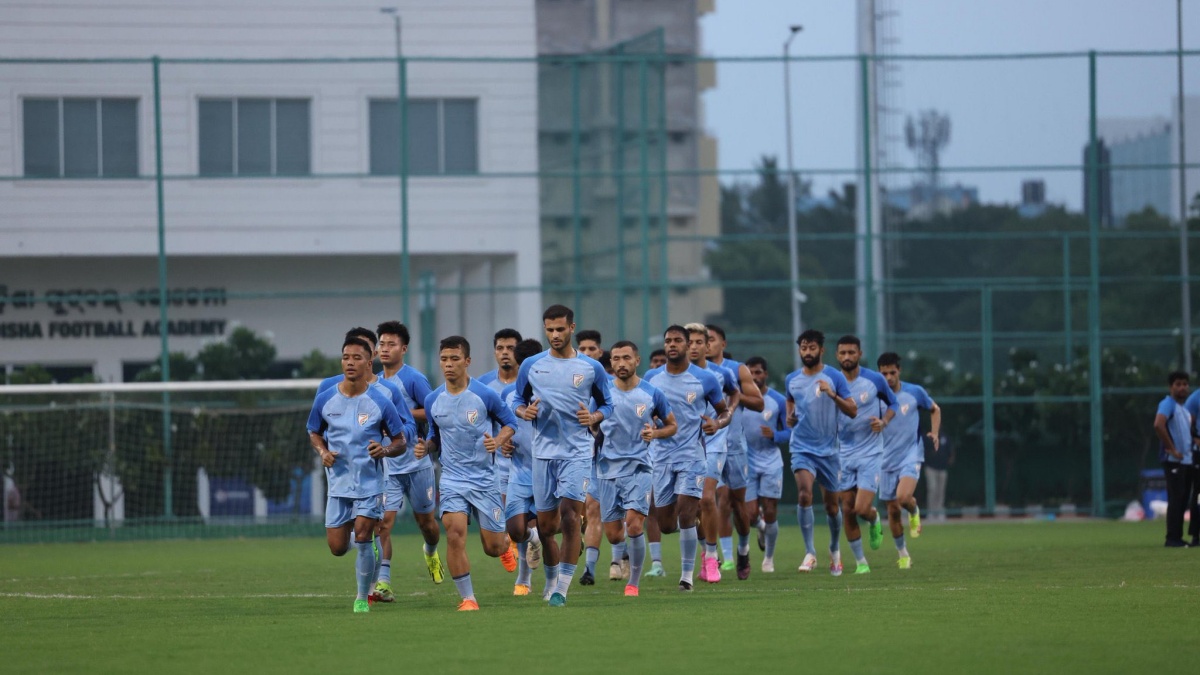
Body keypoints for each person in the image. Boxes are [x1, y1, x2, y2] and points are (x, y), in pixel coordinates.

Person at [513, 305, 613, 606]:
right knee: (546, 527)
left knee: (570, 516)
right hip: (543, 454)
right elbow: (517, 400)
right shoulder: (531, 365)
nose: (555, 335)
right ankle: (552, 577)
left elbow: (608, 405)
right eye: (549, 329)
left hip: (577, 452)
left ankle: (562, 589)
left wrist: (594, 417)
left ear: (572, 328)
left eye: (560, 329)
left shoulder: (591, 368)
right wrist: (524, 411)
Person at [307, 335, 414, 613]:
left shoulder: (381, 400)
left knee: (365, 534)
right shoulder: (325, 398)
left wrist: (385, 450)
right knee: (337, 547)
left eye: (356, 358)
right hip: (339, 483)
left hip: (370, 482)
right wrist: (323, 452)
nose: (350, 362)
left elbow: (400, 440)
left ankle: (361, 597)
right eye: (346, 357)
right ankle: (368, 551)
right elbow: (314, 431)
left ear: (369, 362)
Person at [417, 336, 518, 610]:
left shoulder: (485, 395)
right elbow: (434, 437)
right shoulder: (432, 399)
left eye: (454, 359)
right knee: (454, 532)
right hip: (451, 479)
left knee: (492, 548)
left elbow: (510, 423)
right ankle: (468, 598)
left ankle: (506, 543)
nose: (448, 365)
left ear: (467, 361)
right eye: (444, 359)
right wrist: (426, 447)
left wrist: (497, 442)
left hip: (484, 480)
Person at [643, 324, 728, 591]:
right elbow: (642, 409)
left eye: (678, 340)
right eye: (668, 340)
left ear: (688, 344)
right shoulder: (652, 378)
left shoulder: (705, 379)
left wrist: (718, 423)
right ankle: (694, 535)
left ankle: (687, 577)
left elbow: (724, 411)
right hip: (660, 457)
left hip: (692, 456)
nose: (672, 345)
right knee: (668, 523)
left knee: (688, 511)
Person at [597, 340, 677, 596]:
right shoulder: (602, 393)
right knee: (613, 535)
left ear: (637, 360)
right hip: (607, 469)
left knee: (633, 525)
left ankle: (633, 583)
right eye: (617, 358)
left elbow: (672, 425)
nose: (621, 363)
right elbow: (589, 422)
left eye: (627, 358)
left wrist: (655, 432)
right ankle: (625, 554)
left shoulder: (652, 393)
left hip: (640, 467)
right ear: (611, 363)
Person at [374, 321, 443, 600]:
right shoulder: (374, 382)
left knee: (427, 524)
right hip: (388, 464)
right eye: (382, 343)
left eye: (391, 344)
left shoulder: (413, 379)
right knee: (383, 524)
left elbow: (434, 411)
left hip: (416, 462)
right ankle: (383, 582)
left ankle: (430, 551)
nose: (385, 349)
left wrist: (397, 416)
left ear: (403, 348)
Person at [785, 329, 857, 576]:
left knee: (831, 507)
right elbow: (790, 400)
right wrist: (789, 416)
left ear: (821, 350)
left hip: (829, 451)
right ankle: (810, 552)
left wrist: (832, 393)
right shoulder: (792, 379)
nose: (807, 352)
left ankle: (835, 550)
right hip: (801, 447)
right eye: (803, 348)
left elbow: (852, 410)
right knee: (804, 494)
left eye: (811, 348)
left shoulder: (835, 377)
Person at [833, 335, 896, 575]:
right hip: (843, 454)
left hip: (871, 452)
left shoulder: (874, 379)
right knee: (847, 510)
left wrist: (883, 421)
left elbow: (892, 404)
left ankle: (874, 518)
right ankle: (861, 562)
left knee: (860, 508)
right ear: (837, 356)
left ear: (859, 354)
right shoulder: (832, 381)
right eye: (842, 353)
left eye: (851, 352)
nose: (847, 357)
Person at [706, 323, 764, 580]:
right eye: (698, 340)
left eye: (710, 339)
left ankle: (742, 549)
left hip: (734, 446)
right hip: (704, 446)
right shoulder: (690, 372)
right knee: (705, 501)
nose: (704, 345)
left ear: (723, 344)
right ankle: (709, 556)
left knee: (741, 507)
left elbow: (759, 402)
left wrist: (735, 395)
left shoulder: (736, 369)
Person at [683, 323, 739, 584]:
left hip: (715, 441)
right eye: (689, 342)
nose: (693, 347)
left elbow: (734, 394)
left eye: (698, 342)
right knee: (689, 507)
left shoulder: (720, 373)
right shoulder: (673, 375)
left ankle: (712, 557)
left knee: (707, 498)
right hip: (685, 446)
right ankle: (706, 552)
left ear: (707, 345)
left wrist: (721, 420)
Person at [876, 352, 940, 569]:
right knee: (892, 511)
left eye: (892, 372)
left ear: (899, 371)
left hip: (910, 454)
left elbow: (935, 409)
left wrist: (935, 432)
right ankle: (903, 553)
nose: (888, 377)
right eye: (884, 373)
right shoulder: (875, 397)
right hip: (884, 460)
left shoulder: (915, 392)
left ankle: (913, 511)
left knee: (903, 498)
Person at [478, 328, 526, 575]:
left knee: (521, 519)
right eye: (500, 348)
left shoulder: (528, 381)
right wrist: (499, 440)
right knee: (501, 526)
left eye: (510, 348)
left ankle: (523, 576)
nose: (505, 353)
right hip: (495, 462)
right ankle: (507, 546)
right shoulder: (483, 384)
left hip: (529, 460)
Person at [503, 339, 549, 597]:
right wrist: (504, 443)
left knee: (548, 526)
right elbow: (504, 426)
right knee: (516, 530)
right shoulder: (509, 396)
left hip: (549, 470)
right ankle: (533, 540)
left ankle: (533, 581)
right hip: (520, 469)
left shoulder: (554, 392)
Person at [741, 356, 789, 572]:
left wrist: (775, 435)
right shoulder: (740, 400)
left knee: (770, 510)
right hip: (746, 462)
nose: (754, 376)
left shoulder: (778, 400)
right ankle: (759, 527)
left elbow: (789, 431)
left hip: (771, 461)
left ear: (765, 374)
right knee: (750, 515)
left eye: (758, 372)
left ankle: (768, 558)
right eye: (750, 373)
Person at [574, 329, 608, 586]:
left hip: (620, 459)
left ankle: (621, 552)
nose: (586, 354)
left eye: (591, 349)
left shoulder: (605, 382)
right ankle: (590, 570)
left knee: (622, 524)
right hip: (587, 457)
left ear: (600, 352)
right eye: (582, 349)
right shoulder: (570, 382)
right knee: (591, 509)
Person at [1154, 371, 1197, 548]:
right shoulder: (1167, 404)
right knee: (1176, 498)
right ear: (1171, 387)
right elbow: (1158, 424)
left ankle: (1178, 537)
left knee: (1182, 499)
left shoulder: (1182, 409)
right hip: (1173, 460)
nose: (1182, 388)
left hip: (1185, 461)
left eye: (1185, 384)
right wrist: (1171, 448)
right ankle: (1172, 538)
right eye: (1178, 384)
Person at [924, 431, 953, 522]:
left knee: (941, 491)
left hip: (942, 468)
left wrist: (950, 460)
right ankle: (931, 512)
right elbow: (925, 450)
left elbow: (951, 450)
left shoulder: (945, 437)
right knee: (932, 489)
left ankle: (939, 511)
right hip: (931, 467)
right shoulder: (929, 437)